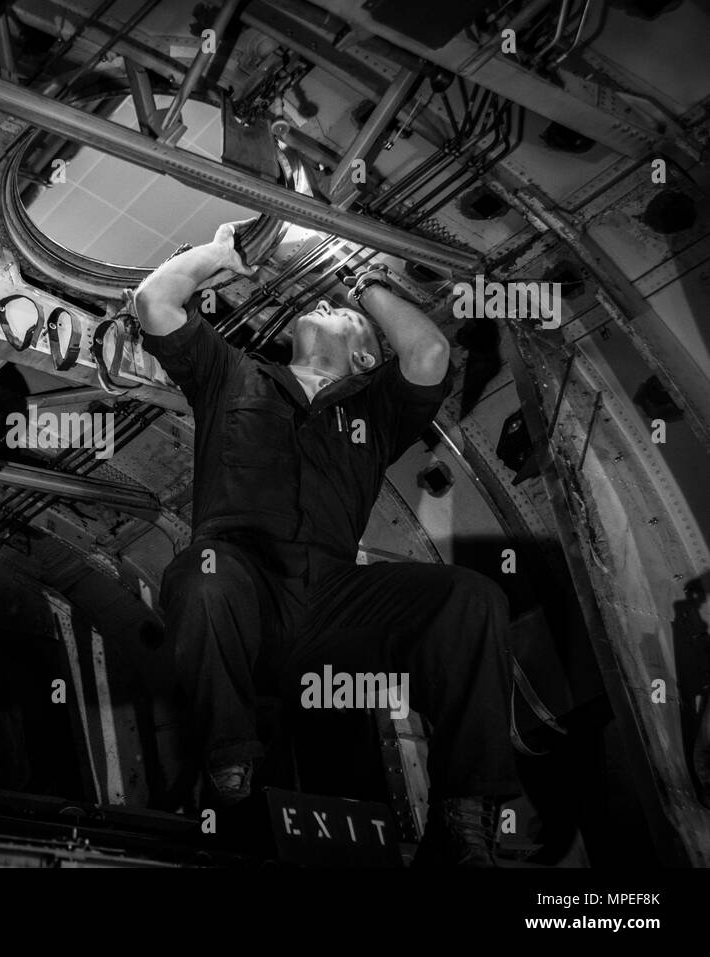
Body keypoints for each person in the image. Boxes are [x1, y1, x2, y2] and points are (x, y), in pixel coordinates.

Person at [133, 218, 517, 867]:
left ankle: (460, 816)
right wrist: (220, 254)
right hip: (239, 590)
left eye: (343, 315)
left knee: (470, 596)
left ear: (366, 356)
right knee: (204, 569)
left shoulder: (373, 410)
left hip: (329, 606)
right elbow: (153, 302)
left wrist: (360, 280)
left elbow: (427, 355)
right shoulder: (231, 375)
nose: (328, 310)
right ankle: (232, 771)